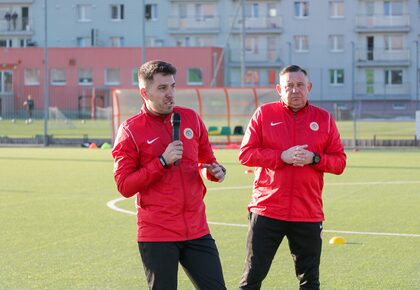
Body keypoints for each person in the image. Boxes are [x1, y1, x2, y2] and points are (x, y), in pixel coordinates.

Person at [112, 60, 227, 290]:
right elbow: (124, 186)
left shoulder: (191, 118)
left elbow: (206, 162)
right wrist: (162, 162)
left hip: (197, 229)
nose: (170, 94)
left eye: (172, 86)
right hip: (158, 233)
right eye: (162, 88)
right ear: (144, 92)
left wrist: (215, 171)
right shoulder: (130, 130)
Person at [237, 65, 347, 290]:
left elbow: (340, 162)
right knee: (252, 277)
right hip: (267, 209)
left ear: (309, 87)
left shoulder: (324, 119)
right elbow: (245, 154)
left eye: (300, 85)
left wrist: (314, 158)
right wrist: (281, 156)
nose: (295, 90)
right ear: (279, 89)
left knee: (309, 281)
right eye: (289, 86)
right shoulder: (264, 114)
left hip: (307, 212)